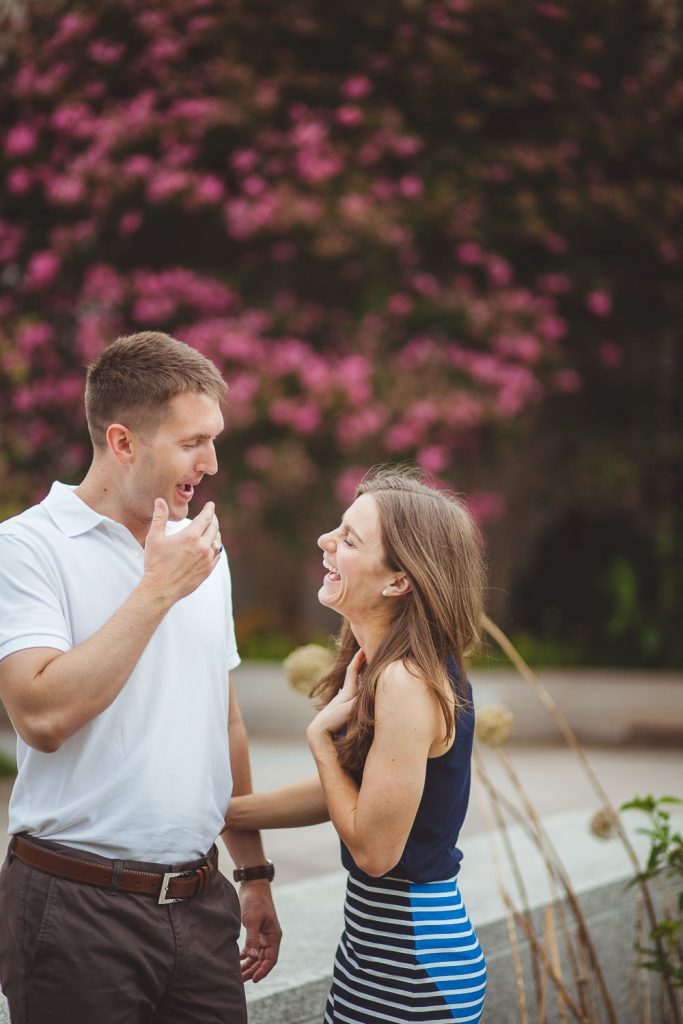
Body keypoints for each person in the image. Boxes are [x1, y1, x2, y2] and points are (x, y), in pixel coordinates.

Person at [0, 331, 281, 1024]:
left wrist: (252, 874)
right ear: (123, 442)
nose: (211, 463)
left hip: (201, 904)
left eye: (213, 440)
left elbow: (225, 720)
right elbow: (40, 716)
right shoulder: (25, 549)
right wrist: (157, 590)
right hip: (74, 910)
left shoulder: (201, 550)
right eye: (192, 443)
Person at [228, 467, 487, 1024]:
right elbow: (351, 796)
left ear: (398, 581)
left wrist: (320, 738)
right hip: (376, 950)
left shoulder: (404, 682)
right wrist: (223, 814)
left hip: (413, 964)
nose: (327, 541)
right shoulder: (387, 668)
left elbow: (374, 850)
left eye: (349, 539)